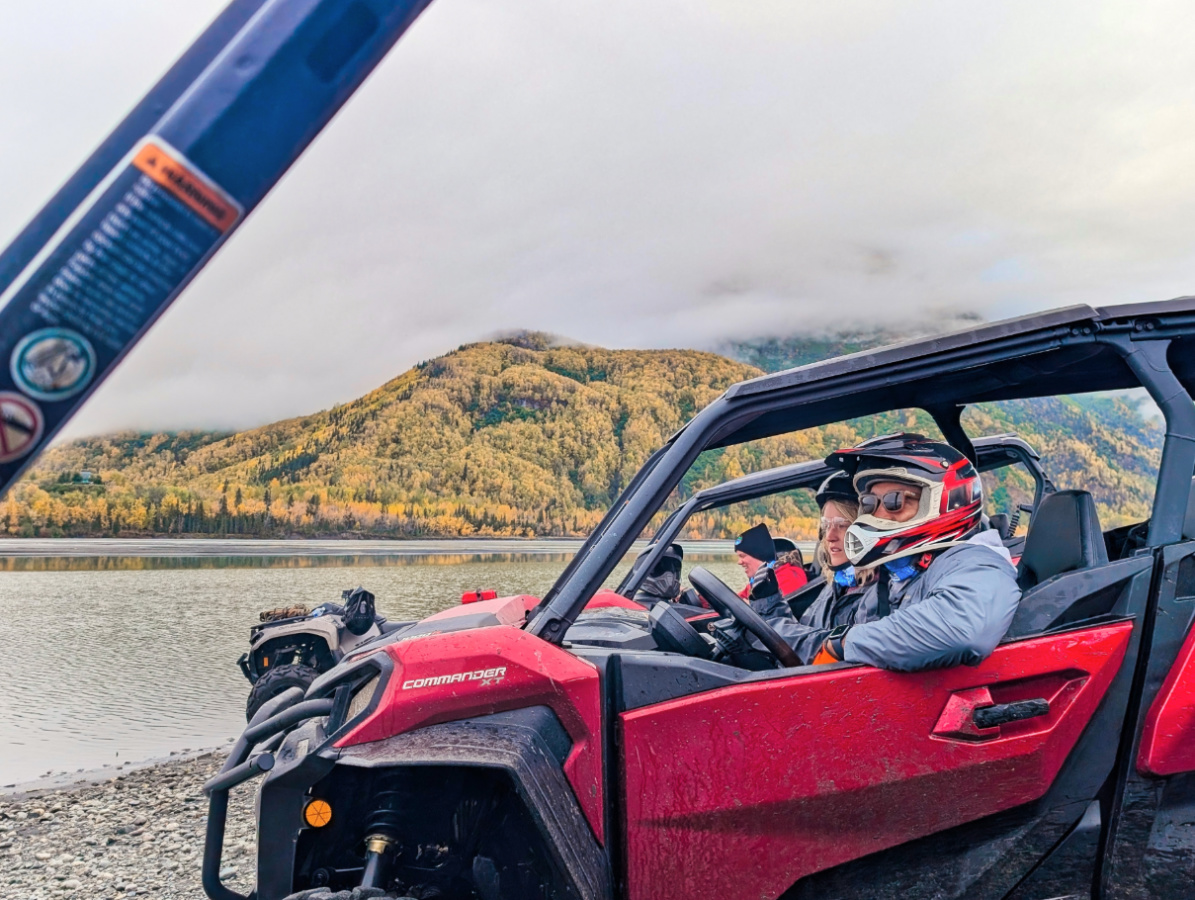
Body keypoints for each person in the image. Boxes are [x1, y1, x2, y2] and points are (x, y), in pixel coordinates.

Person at [809, 434, 1021, 671]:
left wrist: (843, 643)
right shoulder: (903, 569)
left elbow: (963, 628)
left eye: (895, 501)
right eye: (869, 503)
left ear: (945, 501)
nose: (876, 516)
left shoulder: (977, 562)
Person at [765, 471, 871, 663]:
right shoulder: (836, 587)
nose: (830, 536)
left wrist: (769, 621)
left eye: (842, 525)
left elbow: (819, 650)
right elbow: (804, 629)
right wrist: (768, 601)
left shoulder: (876, 598)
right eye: (826, 525)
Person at [734, 523, 807, 616]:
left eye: (742, 556)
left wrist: (749, 607)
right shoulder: (760, 579)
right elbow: (734, 599)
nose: (739, 562)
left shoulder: (790, 576)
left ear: (758, 554)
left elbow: (778, 614)